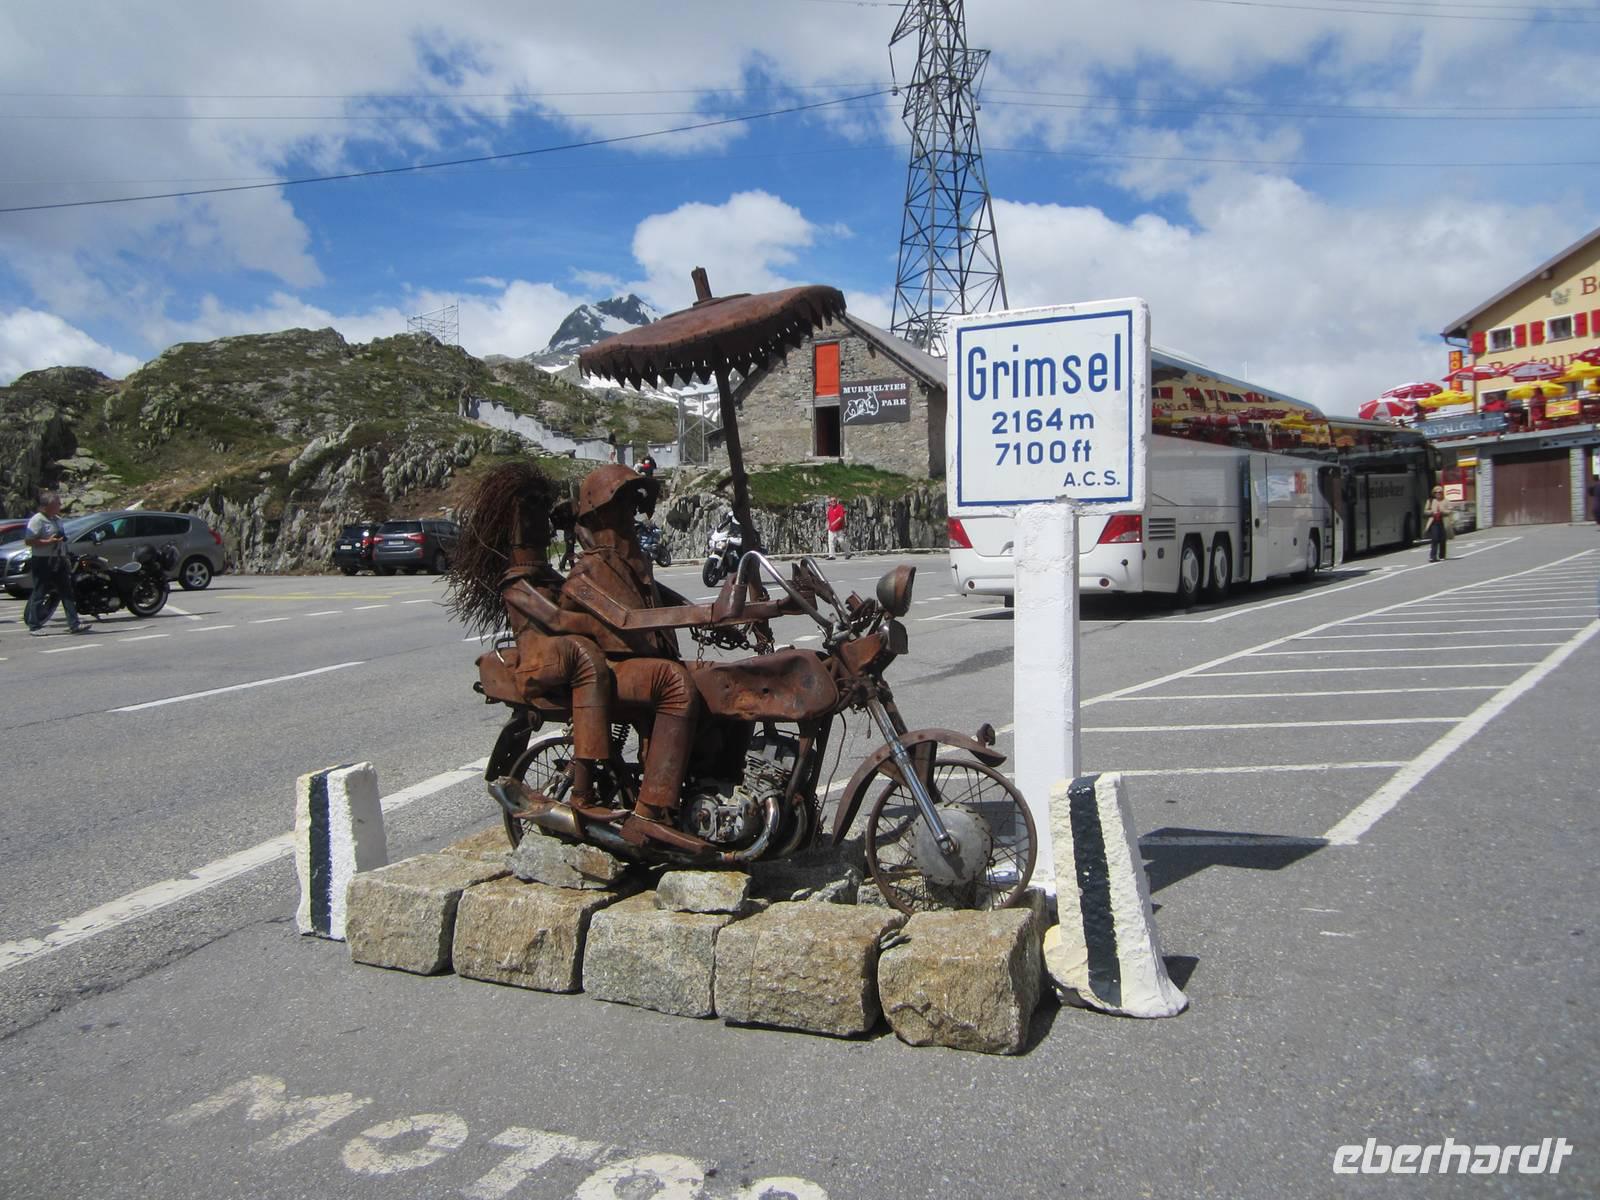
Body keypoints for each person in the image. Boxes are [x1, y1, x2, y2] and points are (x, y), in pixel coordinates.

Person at [23, 492, 89, 635]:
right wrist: (48, 541)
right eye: (57, 504)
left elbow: (61, 536)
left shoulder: (57, 519)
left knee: (66, 591)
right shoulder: (37, 520)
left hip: (58, 558)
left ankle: (74, 623)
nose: (60, 506)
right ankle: (34, 625)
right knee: (40, 591)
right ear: (48, 506)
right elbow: (29, 541)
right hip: (43, 559)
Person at [1425, 486, 1450, 563]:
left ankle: (1442, 555)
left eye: (1440, 492)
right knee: (1435, 539)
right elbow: (1425, 511)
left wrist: (1443, 512)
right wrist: (1432, 512)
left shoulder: (1445, 501)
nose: (1438, 494)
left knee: (1442, 539)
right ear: (1434, 493)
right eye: (1436, 492)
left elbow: (1449, 511)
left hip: (1443, 521)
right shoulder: (1430, 501)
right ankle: (1433, 556)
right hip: (1434, 522)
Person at [825, 496, 851, 560]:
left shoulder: (840, 507)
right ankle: (832, 555)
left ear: (836, 501)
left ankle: (848, 553)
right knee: (830, 542)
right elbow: (828, 518)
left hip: (839, 529)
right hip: (831, 529)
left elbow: (841, 517)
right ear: (830, 502)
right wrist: (827, 525)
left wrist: (834, 522)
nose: (833, 502)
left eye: (834, 501)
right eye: (831, 501)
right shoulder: (829, 509)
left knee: (841, 542)